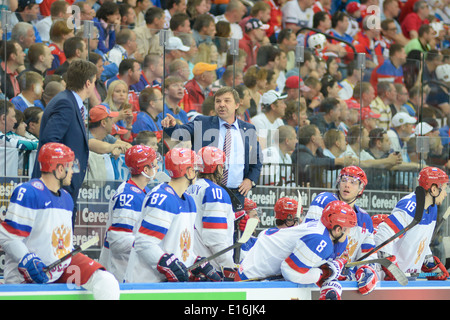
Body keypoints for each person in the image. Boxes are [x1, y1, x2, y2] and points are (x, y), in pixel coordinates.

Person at [0, 142, 120, 299]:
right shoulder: (28, 192)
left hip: (61, 267)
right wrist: (26, 259)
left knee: (106, 281)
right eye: (70, 167)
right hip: (27, 275)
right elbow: (8, 236)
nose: (73, 172)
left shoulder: (66, 198)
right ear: (60, 169)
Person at [124, 148, 221, 283]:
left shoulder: (189, 201)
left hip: (167, 285)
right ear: (188, 171)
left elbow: (179, 247)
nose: (197, 173)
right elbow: (144, 242)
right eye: (194, 169)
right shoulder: (163, 199)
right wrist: (167, 263)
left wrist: (195, 261)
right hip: (145, 283)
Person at [161, 86, 263, 207]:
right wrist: (171, 126)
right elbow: (180, 134)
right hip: (205, 191)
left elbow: (256, 158)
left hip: (236, 193)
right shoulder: (203, 122)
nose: (221, 104)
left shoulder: (248, 128)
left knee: (231, 226)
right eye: (218, 101)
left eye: (227, 101)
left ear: (236, 105)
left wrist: (250, 180)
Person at [238, 199, 356, 300]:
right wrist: (323, 273)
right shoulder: (321, 240)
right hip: (249, 280)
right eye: (348, 228)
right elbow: (290, 272)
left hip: (252, 272)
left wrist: (330, 269)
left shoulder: (321, 229)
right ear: (337, 229)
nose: (349, 232)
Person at [32, 59, 98, 226]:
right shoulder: (65, 103)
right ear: (88, 83)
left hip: (63, 185)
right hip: (57, 186)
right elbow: (49, 141)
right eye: (95, 82)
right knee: (56, 240)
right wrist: (60, 175)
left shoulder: (69, 102)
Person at [305, 166, 380, 296]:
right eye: (344, 180)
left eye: (353, 182)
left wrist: (367, 270)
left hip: (347, 284)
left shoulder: (365, 219)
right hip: (315, 279)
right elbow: (309, 239)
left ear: (361, 188)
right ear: (338, 182)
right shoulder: (324, 200)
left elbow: (368, 256)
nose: (347, 185)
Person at [375, 167, 450, 280]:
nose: (445, 194)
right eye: (444, 188)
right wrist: (391, 267)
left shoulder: (432, 208)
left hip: (408, 279)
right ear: (434, 189)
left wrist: (430, 264)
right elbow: (383, 235)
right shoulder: (409, 206)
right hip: (390, 281)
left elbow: (420, 242)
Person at [99, 145, 158, 282]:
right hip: (122, 271)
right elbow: (119, 241)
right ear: (145, 170)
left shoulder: (142, 191)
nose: (158, 168)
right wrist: (150, 244)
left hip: (133, 267)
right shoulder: (128, 196)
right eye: (154, 165)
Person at [185, 146, 235, 272]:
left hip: (191, 261)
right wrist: (228, 265)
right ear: (217, 167)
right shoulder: (215, 191)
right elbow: (214, 237)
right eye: (221, 165)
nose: (223, 169)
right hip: (211, 267)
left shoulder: (189, 188)